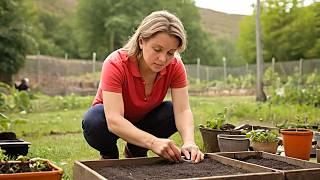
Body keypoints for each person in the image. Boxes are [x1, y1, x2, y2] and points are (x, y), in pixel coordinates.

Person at [82, 10, 204, 163]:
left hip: (145, 119)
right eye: (157, 49)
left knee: (170, 111)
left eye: (170, 53)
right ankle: (109, 155)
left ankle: (136, 150)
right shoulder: (116, 63)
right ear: (141, 41)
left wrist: (189, 142)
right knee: (93, 120)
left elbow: (183, 110)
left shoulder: (175, 65)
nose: (162, 59)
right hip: (109, 121)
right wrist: (153, 142)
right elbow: (113, 120)